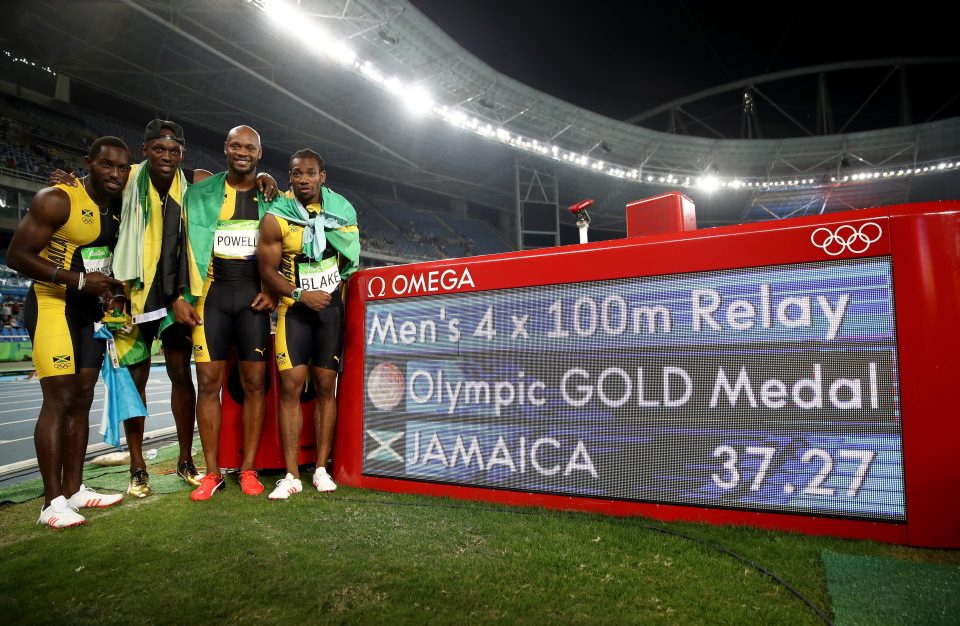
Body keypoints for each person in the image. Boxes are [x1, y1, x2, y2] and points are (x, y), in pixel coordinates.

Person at [51, 120, 280, 497]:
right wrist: (72, 181)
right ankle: (138, 467)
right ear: (145, 150)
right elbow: (98, 183)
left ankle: (187, 461)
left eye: (174, 151)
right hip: (134, 291)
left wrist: (265, 174)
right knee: (136, 378)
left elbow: (245, 180)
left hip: (179, 292)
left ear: (183, 154)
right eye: (159, 149)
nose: (167, 156)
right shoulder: (127, 179)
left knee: (180, 373)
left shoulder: (194, 182)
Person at [7, 136, 130, 528]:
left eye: (122, 168)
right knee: (58, 400)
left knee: (82, 399)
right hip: (52, 304)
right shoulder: (58, 198)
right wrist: (76, 280)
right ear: (88, 163)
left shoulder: (118, 204)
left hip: (88, 313)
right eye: (107, 165)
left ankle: (75, 489)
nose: (115, 174)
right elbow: (17, 255)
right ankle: (50, 502)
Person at [174, 125, 277, 501]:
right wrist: (178, 295)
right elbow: (175, 243)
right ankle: (212, 472)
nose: (242, 151)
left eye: (250, 146)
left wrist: (274, 292)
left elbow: (288, 247)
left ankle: (248, 468)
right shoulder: (200, 193)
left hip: (253, 300)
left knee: (254, 385)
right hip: (210, 299)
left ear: (260, 153)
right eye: (235, 145)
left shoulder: (272, 198)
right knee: (208, 385)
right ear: (225, 148)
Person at [257, 149, 359, 499]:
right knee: (290, 388)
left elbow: (350, 258)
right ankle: (289, 475)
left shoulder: (342, 210)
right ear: (289, 177)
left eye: (310, 173)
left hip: (330, 311)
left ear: (322, 176)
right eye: (297, 173)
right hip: (295, 310)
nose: (303, 179)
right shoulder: (276, 216)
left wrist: (328, 292)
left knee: (325, 386)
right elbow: (267, 270)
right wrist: (302, 294)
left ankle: (319, 468)